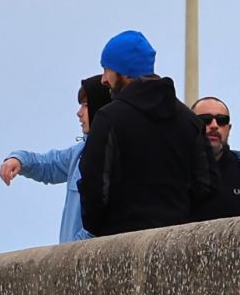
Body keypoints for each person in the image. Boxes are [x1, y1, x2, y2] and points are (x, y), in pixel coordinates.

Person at [79, 31, 215, 236]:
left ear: (124, 73)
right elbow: (206, 184)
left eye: (107, 70)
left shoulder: (109, 118)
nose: (104, 80)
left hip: (119, 242)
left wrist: (101, 227)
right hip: (176, 241)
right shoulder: (189, 120)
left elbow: (94, 185)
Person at [1, 75, 112, 244]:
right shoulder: (79, 152)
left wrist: (76, 247)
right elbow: (49, 165)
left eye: (86, 106)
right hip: (72, 259)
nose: (79, 113)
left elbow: (102, 212)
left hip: (88, 257)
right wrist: (19, 159)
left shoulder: (110, 154)